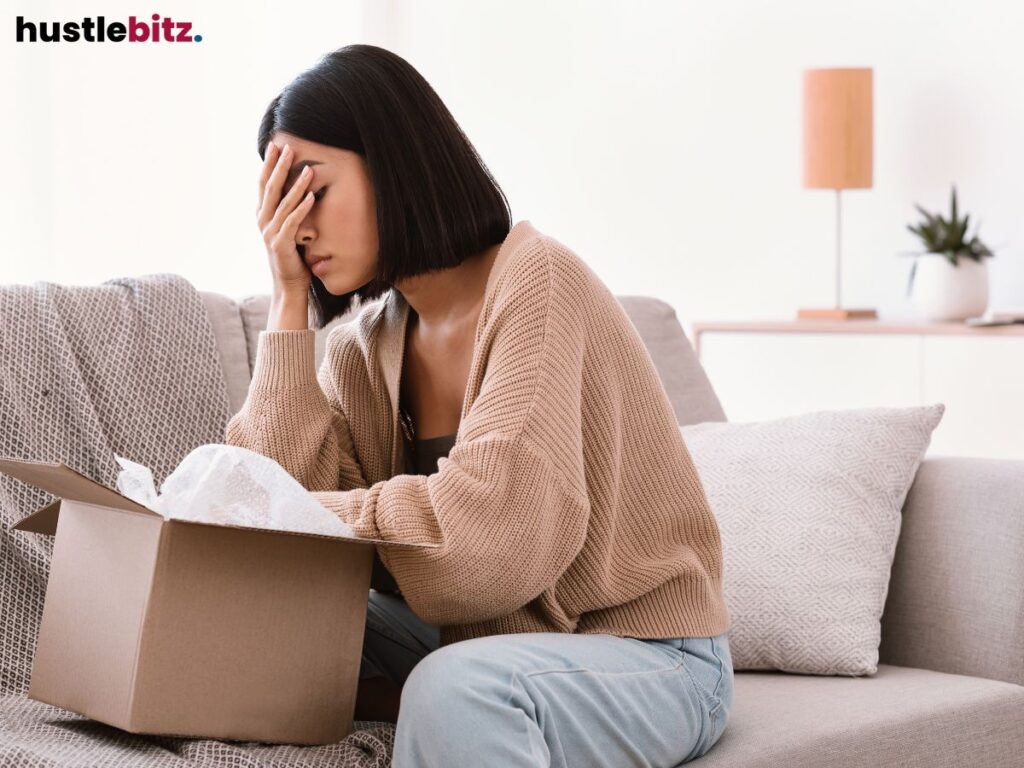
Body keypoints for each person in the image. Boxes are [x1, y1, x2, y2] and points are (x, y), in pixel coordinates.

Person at [229, 43, 733, 767]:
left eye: (310, 189)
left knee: (456, 691)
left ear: (394, 162)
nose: (295, 226)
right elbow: (276, 541)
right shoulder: (362, 348)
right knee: (267, 623)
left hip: (649, 653)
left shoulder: (539, 283)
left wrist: (305, 515)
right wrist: (287, 302)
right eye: (279, 201)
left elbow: (486, 548)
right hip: (487, 636)